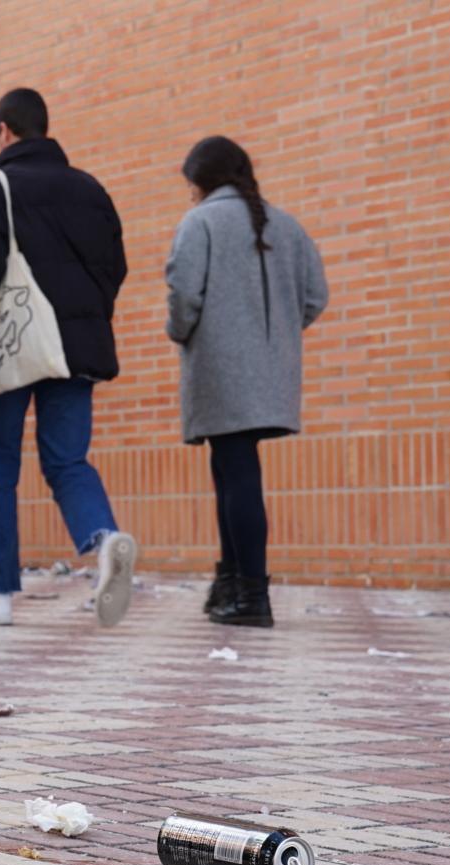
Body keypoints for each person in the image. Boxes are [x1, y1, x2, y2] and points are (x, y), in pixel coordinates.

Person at [0, 87, 137, 627]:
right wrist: (83, 318)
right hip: (76, 347)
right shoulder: (90, 189)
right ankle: (103, 540)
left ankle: (0, 596)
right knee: (66, 459)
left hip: (13, 343)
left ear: (4, 130)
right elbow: (115, 267)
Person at [166, 136, 328, 627]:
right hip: (268, 369)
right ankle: (232, 581)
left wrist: (184, 332)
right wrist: (275, 335)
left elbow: (182, 295)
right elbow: (315, 296)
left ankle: (252, 594)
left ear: (200, 181)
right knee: (232, 470)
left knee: (235, 473)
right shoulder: (289, 225)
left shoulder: (200, 223)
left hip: (219, 367)